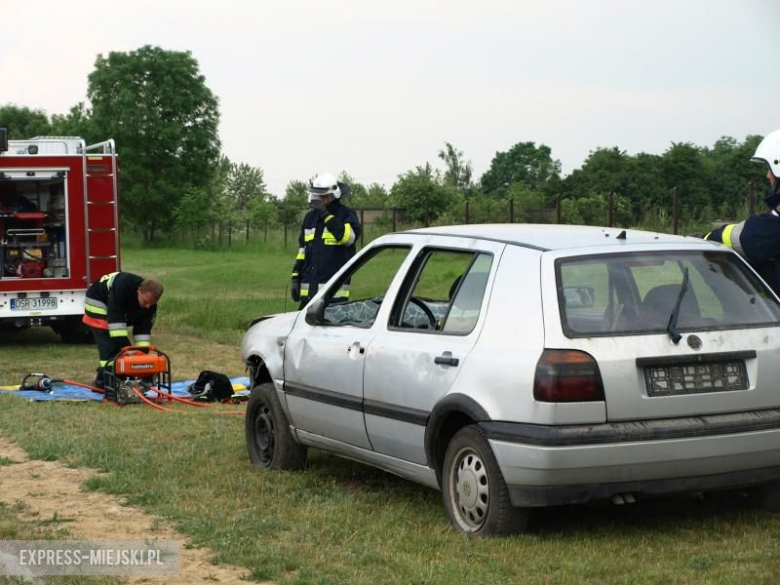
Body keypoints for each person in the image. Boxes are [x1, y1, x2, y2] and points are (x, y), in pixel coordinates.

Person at [703, 129, 780, 294]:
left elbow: (749, 237)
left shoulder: (774, 224)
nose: (768, 176)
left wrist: (704, 238)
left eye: (770, 169)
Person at [290, 172, 361, 309]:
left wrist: (326, 215)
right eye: (318, 196)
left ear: (334, 194)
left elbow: (348, 239)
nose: (322, 200)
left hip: (334, 297)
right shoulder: (310, 218)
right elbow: (302, 251)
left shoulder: (346, 215)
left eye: (324, 196)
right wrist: (295, 277)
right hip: (308, 296)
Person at [81, 272, 164, 388]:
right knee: (109, 348)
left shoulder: (149, 304)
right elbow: (116, 326)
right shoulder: (122, 287)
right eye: (145, 302)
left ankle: (118, 379)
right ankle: (103, 382)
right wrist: (128, 350)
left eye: (151, 304)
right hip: (98, 301)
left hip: (118, 307)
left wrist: (141, 357)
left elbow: (143, 331)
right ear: (138, 291)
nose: (147, 307)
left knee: (122, 352)